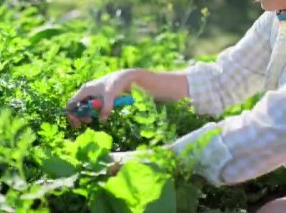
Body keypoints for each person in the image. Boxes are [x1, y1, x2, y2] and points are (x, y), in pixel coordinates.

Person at [66, 0, 286, 212]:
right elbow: (221, 81)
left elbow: (270, 129)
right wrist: (127, 80)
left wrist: (153, 161)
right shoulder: (276, 19)